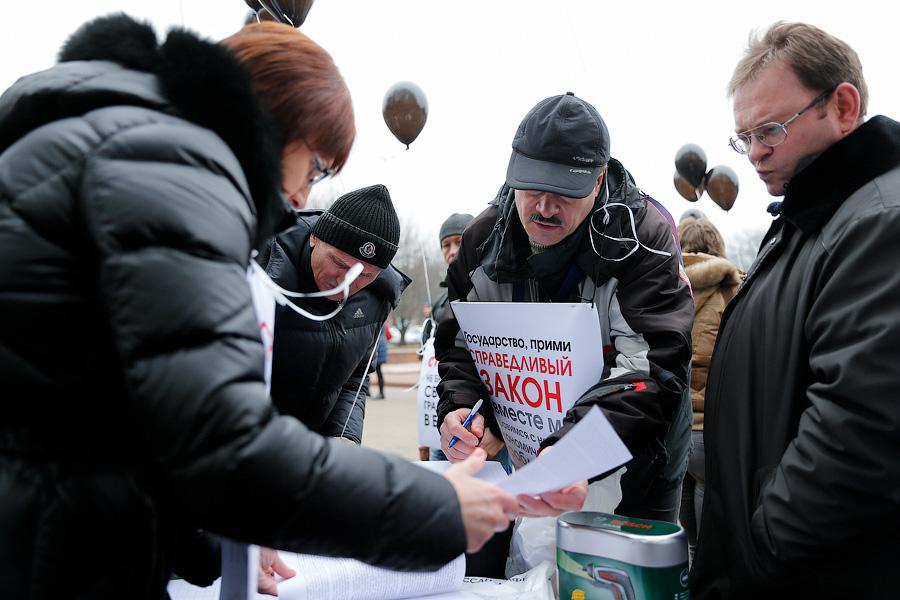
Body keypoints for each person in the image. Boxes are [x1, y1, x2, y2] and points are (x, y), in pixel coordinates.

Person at [0, 15, 517, 598]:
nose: (301, 197)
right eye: (316, 166)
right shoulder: (170, 166)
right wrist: (434, 506)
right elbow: (225, 442)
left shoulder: (116, 143)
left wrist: (211, 545)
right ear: (274, 125)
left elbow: (127, 421)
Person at [691, 22, 900, 599]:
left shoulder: (879, 222)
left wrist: (762, 549)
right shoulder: (810, 220)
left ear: (843, 106)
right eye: (745, 137)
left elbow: (861, 432)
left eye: (772, 130)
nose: (756, 153)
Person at [435, 92, 694, 522]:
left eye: (565, 192)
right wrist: (462, 408)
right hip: (528, 453)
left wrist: (573, 451)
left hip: (637, 457)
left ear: (597, 181)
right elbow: (460, 345)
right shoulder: (481, 242)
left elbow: (651, 369)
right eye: (534, 186)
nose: (545, 207)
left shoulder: (643, 240)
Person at [260, 184, 405, 441]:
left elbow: (354, 380)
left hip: (317, 452)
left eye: (366, 275)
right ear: (315, 237)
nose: (347, 283)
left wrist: (345, 436)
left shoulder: (376, 298)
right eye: (340, 263)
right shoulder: (263, 266)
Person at [675, 218, 741, 563]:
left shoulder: (666, 289)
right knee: (711, 547)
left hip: (674, 432)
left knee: (685, 545)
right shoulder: (735, 292)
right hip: (712, 431)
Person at [373, 324, 391, 399]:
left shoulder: (376, 324)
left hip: (378, 348)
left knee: (375, 371)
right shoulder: (384, 325)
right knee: (379, 371)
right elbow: (389, 336)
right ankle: (381, 392)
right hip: (382, 346)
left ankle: (381, 393)